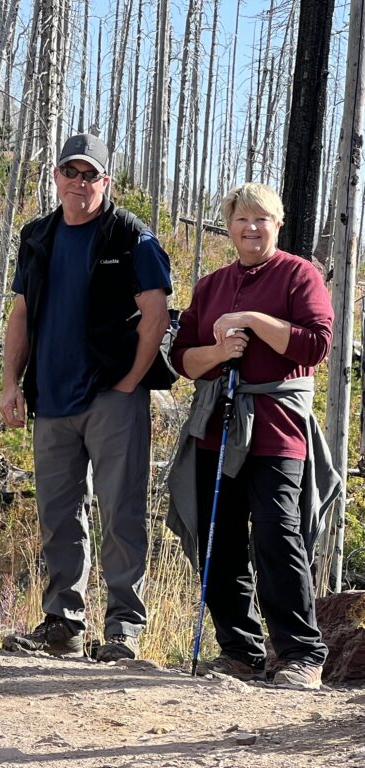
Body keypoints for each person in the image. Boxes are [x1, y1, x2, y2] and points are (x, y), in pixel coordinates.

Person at [0, 133, 172, 662]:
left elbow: (157, 313)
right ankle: (64, 624)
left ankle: (124, 627)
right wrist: (10, 383)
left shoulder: (131, 238)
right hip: (50, 397)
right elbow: (22, 315)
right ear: (56, 177)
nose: (79, 182)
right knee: (58, 515)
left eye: (89, 174)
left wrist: (129, 381)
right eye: (70, 172)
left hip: (110, 395)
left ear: (106, 182)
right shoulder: (38, 236)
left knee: (121, 511)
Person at [166, 183, 340, 690]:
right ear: (229, 225)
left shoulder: (298, 274)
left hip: (276, 427)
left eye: (261, 219)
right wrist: (220, 353)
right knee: (218, 539)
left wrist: (251, 321)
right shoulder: (211, 284)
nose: (250, 228)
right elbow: (183, 359)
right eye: (242, 219)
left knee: (277, 534)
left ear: (277, 223)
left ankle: (301, 653)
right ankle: (239, 649)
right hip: (215, 425)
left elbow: (316, 345)